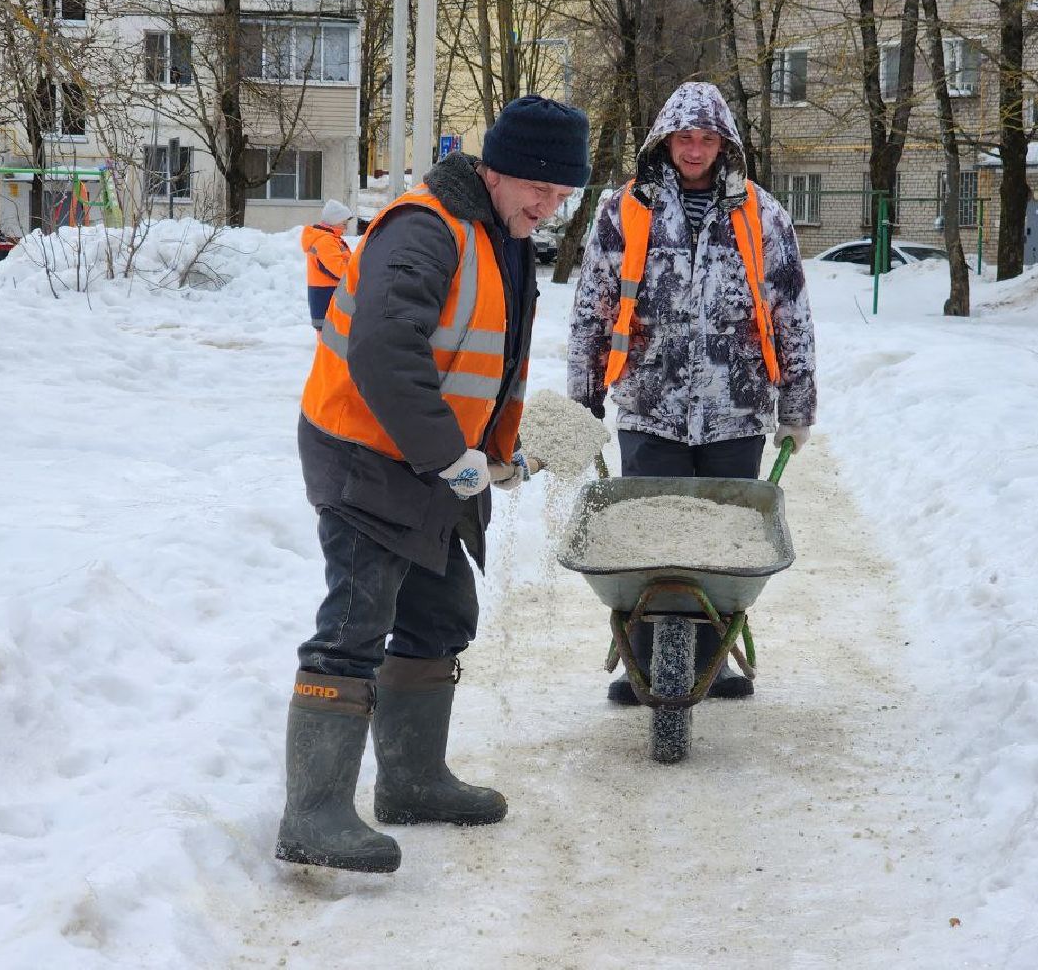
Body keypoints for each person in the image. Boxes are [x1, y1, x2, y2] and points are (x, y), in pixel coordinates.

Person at [277, 95, 591, 873]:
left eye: (561, 198)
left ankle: (413, 781)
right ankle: (311, 815)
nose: (548, 210)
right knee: (356, 619)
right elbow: (385, 351)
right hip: (363, 451)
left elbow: (479, 361)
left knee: (442, 612)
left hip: (429, 456)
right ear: (495, 170)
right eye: (539, 191)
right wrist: (450, 455)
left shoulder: (503, 236)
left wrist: (498, 453)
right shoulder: (425, 229)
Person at [568, 80, 816, 705]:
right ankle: (643, 663)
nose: (696, 150)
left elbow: (790, 312)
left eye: (708, 139)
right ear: (665, 141)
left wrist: (797, 405)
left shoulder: (763, 214)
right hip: (650, 405)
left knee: (722, 547)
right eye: (685, 138)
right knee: (648, 544)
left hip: (737, 410)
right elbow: (593, 306)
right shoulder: (625, 209)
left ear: (725, 143)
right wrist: (583, 394)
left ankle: (714, 660)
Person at [302, 199, 355, 331]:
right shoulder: (326, 241)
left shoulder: (332, 239)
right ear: (334, 222)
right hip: (327, 293)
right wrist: (358, 274)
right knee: (329, 334)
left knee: (331, 334)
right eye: (344, 223)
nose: (346, 227)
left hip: (327, 291)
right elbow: (338, 269)